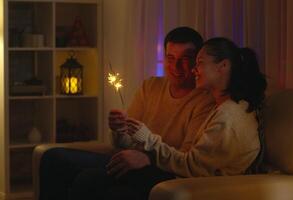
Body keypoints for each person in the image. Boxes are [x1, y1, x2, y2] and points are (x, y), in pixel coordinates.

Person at [69, 37, 267, 199]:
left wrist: (148, 139)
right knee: (93, 180)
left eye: (198, 63)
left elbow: (191, 166)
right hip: (179, 175)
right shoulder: (226, 108)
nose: (193, 70)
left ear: (223, 66)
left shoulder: (228, 117)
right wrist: (122, 130)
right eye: (170, 58)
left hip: (197, 185)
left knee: (93, 181)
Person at [39, 27, 215, 200]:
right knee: (52, 157)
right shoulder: (151, 86)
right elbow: (125, 142)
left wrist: (147, 158)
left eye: (185, 59)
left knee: (87, 179)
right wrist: (119, 129)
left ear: (197, 62)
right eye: (170, 58)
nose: (176, 66)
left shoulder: (204, 101)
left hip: (159, 171)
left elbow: (186, 160)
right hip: (130, 159)